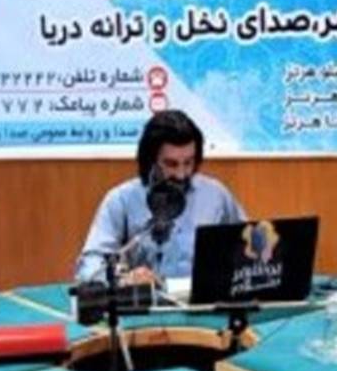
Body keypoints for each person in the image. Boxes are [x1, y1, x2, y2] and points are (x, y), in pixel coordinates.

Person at [75, 110, 245, 284]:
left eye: (188, 162)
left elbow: (248, 251)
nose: (181, 174)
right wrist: (124, 279)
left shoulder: (216, 196)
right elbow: (89, 267)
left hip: (202, 298)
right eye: (171, 164)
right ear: (150, 161)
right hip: (146, 299)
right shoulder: (121, 200)